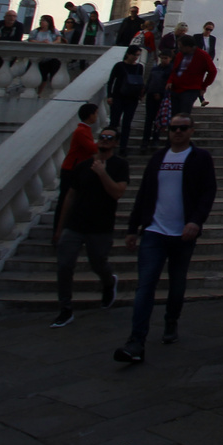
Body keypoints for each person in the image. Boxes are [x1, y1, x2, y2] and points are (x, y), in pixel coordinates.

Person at [114, 113, 216, 363]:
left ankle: (171, 321)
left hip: (183, 233)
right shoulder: (159, 157)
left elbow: (208, 192)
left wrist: (195, 221)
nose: (177, 132)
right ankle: (136, 340)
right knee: (145, 286)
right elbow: (145, 193)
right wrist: (132, 227)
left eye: (182, 128)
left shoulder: (200, 157)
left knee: (177, 282)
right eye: (173, 128)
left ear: (192, 130)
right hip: (154, 231)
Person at [50, 125, 127, 328]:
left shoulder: (119, 165)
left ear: (116, 143)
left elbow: (118, 193)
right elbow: (70, 196)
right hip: (74, 224)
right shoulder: (82, 166)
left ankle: (109, 282)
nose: (105, 140)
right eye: (102, 137)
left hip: (100, 226)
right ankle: (65, 308)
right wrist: (59, 228)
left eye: (110, 138)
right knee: (65, 265)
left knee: (98, 263)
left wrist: (102, 173)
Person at [106, 47, 146, 155]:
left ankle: (123, 146)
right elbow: (111, 81)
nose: (136, 58)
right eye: (135, 55)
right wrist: (109, 95)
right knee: (114, 122)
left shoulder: (139, 67)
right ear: (128, 54)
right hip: (118, 96)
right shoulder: (119, 66)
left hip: (132, 98)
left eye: (138, 55)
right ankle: (110, 143)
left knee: (127, 123)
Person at [167, 36, 217, 114]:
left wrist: (204, 86)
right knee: (173, 113)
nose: (179, 48)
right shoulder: (180, 55)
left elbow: (212, 71)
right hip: (176, 88)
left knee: (184, 111)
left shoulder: (202, 55)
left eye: (181, 46)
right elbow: (175, 70)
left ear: (188, 47)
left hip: (191, 89)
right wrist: (170, 81)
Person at [142, 48, 173, 151]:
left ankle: (155, 139)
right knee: (149, 119)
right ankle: (145, 140)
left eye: (166, 58)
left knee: (158, 119)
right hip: (151, 95)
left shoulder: (171, 70)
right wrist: (144, 92)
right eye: (162, 58)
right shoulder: (155, 69)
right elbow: (150, 81)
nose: (163, 60)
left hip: (162, 97)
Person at [29, 15, 63, 88]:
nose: (41, 22)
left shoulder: (54, 31)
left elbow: (58, 40)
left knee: (44, 75)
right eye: (41, 20)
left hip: (49, 57)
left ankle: (40, 92)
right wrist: (40, 42)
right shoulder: (36, 31)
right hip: (37, 56)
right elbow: (31, 40)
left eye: (43, 20)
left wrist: (51, 44)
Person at [0, 9, 24, 75]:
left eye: (14, 16)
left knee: (6, 71)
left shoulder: (19, 26)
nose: (12, 18)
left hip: (11, 51)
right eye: (10, 16)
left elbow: (17, 39)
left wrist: (1, 38)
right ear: (5, 17)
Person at [195, 22, 218, 105]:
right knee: (198, 79)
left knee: (207, 76)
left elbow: (212, 50)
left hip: (206, 60)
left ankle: (202, 97)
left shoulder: (212, 39)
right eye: (207, 29)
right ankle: (202, 99)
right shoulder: (197, 37)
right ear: (204, 28)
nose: (208, 31)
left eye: (210, 30)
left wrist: (210, 59)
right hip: (198, 60)